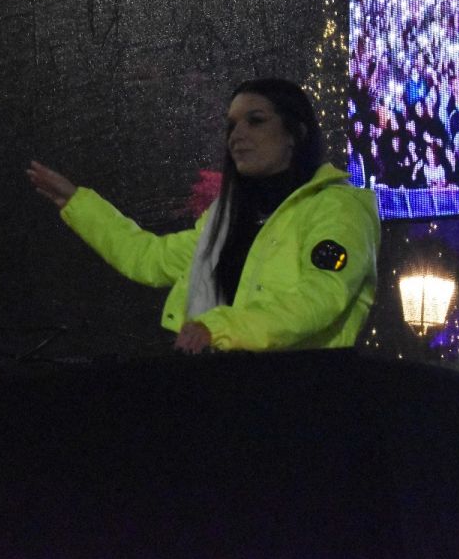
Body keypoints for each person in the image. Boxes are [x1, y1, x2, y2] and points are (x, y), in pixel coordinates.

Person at [26, 78, 381, 354]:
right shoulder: (224, 219)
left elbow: (322, 296)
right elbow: (149, 258)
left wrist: (219, 328)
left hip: (306, 397)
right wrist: (77, 203)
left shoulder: (338, 207)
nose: (237, 136)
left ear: (296, 133)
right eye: (232, 125)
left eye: (255, 121)